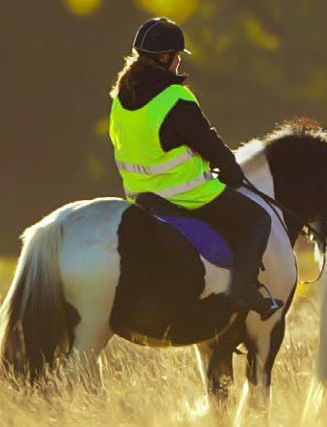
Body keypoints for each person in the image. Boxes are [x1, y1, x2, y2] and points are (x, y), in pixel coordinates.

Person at [108, 17, 283, 320]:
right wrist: (232, 172)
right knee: (257, 218)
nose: (178, 62)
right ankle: (245, 289)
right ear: (164, 58)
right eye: (176, 56)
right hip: (187, 195)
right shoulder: (176, 98)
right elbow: (209, 144)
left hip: (140, 197)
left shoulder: (120, 99)